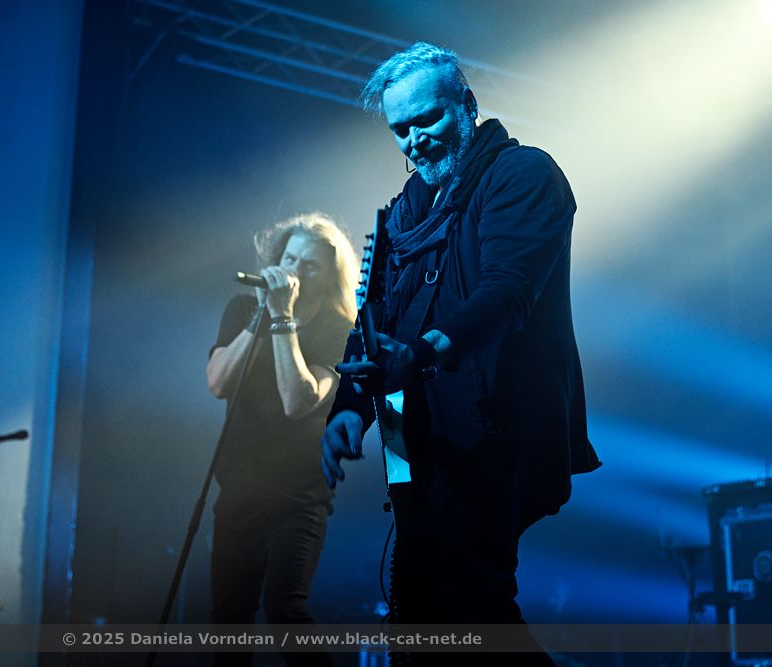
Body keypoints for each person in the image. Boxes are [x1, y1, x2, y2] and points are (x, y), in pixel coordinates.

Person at [321, 43, 601, 663]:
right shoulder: (402, 214)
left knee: (475, 603)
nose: (415, 140)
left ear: (467, 105)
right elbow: (373, 320)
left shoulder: (523, 174)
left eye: (428, 119)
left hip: (493, 428)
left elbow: (508, 294)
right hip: (409, 436)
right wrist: (349, 408)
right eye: (401, 129)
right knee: (415, 601)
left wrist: (420, 355)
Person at [206, 213, 357, 665]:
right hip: (238, 488)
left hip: (299, 495)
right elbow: (218, 383)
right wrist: (261, 317)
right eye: (290, 259)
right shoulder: (243, 309)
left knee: (286, 613)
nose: (294, 271)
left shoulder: (340, 330)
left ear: (330, 276)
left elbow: (298, 401)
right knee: (228, 623)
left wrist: (282, 317)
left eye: (309, 265)